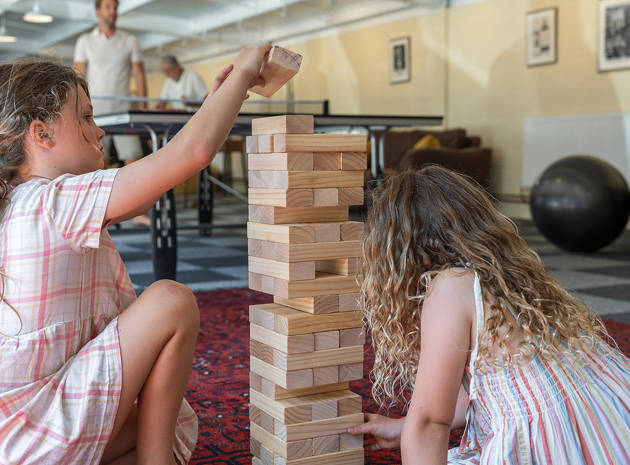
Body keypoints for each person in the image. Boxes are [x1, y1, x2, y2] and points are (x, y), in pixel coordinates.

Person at [0, 45, 268, 464]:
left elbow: (147, 189)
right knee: (170, 301)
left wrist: (218, 100)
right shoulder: (54, 202)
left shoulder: (20, 204)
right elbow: (189, 156)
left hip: (19, 439)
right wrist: (241, 76)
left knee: (148, 423)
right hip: (40, 434)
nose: (100, 131)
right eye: (86, 117)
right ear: (42, 134)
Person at [348, 167, 630, 464]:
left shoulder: (451, 287)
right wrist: (403, 426)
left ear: (398, 250)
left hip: (559, 444)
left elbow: (430, 422)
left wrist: (413, 429)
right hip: (608, 424)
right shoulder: (505, 273)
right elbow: (492, 386)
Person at [74, 0, 150, 226]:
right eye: (108, 7)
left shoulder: (130, 40)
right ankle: (102, 212)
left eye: (115, 7)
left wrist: (143, 106)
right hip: (95, 111)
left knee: (133, 159)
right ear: (98, 11)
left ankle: (137, 212)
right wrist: (78, 108)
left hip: (124, 109)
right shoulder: (85, 41)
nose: (113, 11)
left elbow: (139, 74)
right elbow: (78, 76)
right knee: (98, 160)